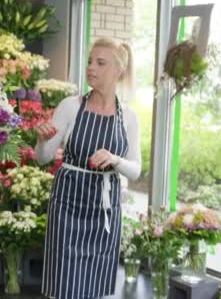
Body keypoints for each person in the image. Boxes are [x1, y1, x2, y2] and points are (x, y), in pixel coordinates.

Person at [36, 37, 141, 299]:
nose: (91, 67)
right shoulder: (70, 106)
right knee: (64, 285)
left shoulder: (128, 116)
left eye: (100, 63)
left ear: (119, 70)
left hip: (104, 212)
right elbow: (43, 158)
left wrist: (116, 160)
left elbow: (136, 170)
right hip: (68, 205)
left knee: (95, 286)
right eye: (90, 61)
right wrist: (41, 141)